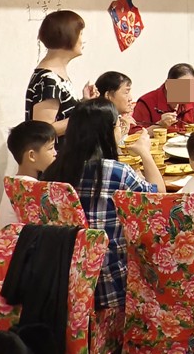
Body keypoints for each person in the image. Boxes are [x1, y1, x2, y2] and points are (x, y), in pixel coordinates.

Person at [44, 99, 164, 309]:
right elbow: (158, 196)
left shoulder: (53, 170)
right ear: (106, 132)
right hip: (111, 281)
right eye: (118, 125)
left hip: (65, 280)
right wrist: (145, 152)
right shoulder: (115, 171)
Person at [25, 10, 98, 139]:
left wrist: (84, 103)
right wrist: (86, 112)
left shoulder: (55, 74)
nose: (83, 40)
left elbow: (62, 114)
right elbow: (44, 130)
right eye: (80, 34)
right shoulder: (48, 79)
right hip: (57, 157)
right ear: (68, 36)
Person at [0, 121, 57, 230]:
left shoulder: (15, 182)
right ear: (32, 155)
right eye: (50, 148)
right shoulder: (30, 188)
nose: (55, 153)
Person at [133, 63, 194, 134]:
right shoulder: (146, 102)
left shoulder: (193, 102)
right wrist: (160, 125)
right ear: (168, 85)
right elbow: (134, 137)